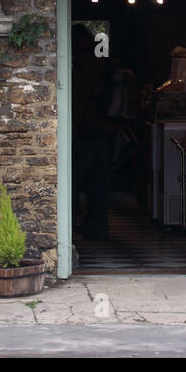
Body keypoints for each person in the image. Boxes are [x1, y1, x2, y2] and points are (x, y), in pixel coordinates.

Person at [71, 23, 114, 240]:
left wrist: (73, 128)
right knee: (98, 182)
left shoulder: (85, 64)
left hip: (89, 129)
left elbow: (80, 98)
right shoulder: (101, 63)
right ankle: (96, 226)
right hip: (102, 129)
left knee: (78, 180)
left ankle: (78, 227)